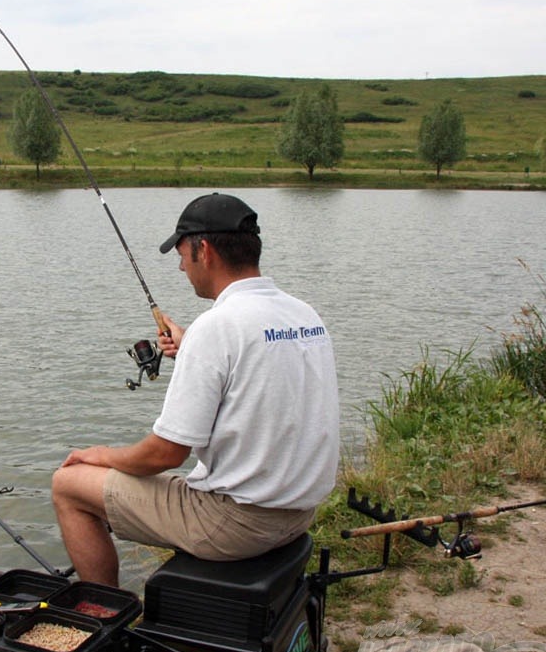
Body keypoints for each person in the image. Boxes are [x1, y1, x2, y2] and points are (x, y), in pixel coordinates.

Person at [52, 193, 340, 587]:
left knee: (68, 484)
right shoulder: (303, 314)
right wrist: (190, 350)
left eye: (182, 253)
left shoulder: (217, 326)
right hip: (298, 514)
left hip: (236, 525)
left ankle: (104, 616)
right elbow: (263, 373)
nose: (180, 265)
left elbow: (167, 453)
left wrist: (101, 456)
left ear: (204, 250)